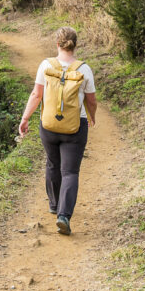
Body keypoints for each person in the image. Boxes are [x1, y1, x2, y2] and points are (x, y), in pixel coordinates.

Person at [17, 26, 97, 235]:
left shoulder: (46, 65)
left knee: (53, 163)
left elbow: (36, 95)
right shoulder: (84, 69)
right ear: (75, 44)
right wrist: (92, 116)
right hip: (75, 128)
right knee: (70, 171)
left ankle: (53, 204)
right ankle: (63, 215)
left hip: (48, 126)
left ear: (57, 44)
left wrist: (25, 118)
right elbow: (92, 100)